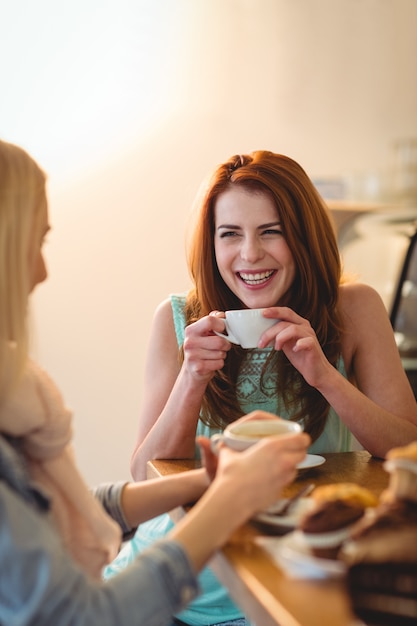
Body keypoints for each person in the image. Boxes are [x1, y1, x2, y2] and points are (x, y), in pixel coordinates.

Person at [0, 138, 310, 625]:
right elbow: (89, 616)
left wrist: (210, 480)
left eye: (270, 231)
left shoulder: (16, 398)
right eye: (34, 243)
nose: (43, 270)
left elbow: (80, 506)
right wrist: (227, 499)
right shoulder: (175, 321)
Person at [116, 150, 417, 626]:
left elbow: (408, 448)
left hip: (295, 574)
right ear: (211, 245)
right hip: (181, 582)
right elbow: (142, 474)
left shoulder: (353, 309)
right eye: (229, 234)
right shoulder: (176, 319)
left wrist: (324, 374)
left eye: (271, 231)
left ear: (305, 237)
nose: (250, 254)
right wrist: (193, 377)